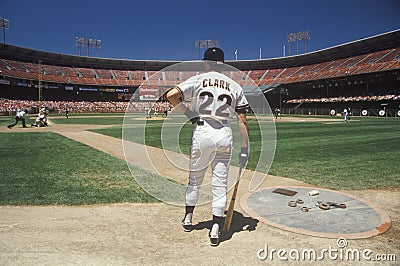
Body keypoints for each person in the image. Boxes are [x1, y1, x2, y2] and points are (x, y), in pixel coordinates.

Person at [166, 47, 249, 246]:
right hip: (224, 134)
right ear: (223, 64)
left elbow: (171, 95)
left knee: (194, 180)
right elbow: (243, 121)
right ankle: (215, 228)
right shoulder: (235, 86)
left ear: (206, 63)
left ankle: (188, 219)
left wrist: (191, 116)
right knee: (220, 184)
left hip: (202, 131)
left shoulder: (198, 79)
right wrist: (244, 149)